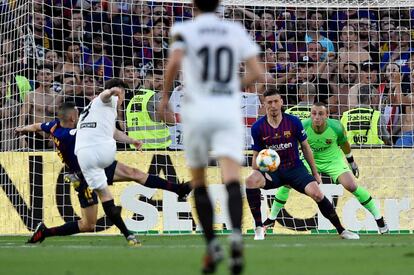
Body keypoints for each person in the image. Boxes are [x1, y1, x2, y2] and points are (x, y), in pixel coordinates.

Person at [158, 0, 263, 273]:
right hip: (227, 110)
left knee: (199, 179)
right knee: (231, 176)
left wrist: (165, 96)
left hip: (197, 109)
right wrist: (229, 87)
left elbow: (174, 62)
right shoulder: (234, 29)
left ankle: (212, 246)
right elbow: (257, 72)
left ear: (193, 4)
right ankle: (237, 238)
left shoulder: (184, 28)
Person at [17, 102, 190, 245]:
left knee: (134, 173)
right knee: (88, 224)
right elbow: (107, 132)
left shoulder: (53, 126)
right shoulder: (71, 135)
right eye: (77, 113)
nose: (79, 116)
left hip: (96, 163)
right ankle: (45, 232)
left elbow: (37, 126)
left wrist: (22, 129)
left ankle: (178, 189)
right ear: (72, 118)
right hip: (82, 175)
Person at [245, 89, 359, 241]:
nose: (273, 105)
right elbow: (255, 157)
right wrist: (259, 168)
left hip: (295, 169)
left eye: (276, 101)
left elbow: (305, 147)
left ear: (281, 102)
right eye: (269, 102)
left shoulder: (293, 121)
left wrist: (315, 172)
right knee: (250, 180)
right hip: (274, 172)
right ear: (264, 104)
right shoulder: (258, 127)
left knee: (318, 194)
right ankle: (259, 228)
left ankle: (342, 230)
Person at [264, 102, 388, 234]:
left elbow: (345, 145)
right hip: (309, 159)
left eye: (320, 114)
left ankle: (379, 218)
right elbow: (292, 145)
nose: (316, 117)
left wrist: (351, 162)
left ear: (327, 115)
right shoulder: (303, 126)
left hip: (332, 160)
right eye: (314, 113)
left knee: (351, 185)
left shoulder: (336, 127)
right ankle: (271, 218)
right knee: (287, 183)